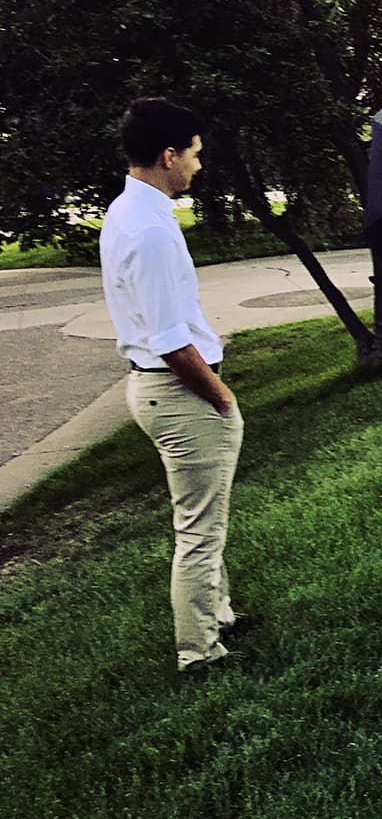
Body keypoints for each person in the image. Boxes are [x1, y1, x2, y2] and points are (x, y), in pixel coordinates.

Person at [99, 98, 245, 671]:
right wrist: (220, 395)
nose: (198, 166)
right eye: (194, 154)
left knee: (206, 515)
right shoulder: (150, 230)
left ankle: (221, 615)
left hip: (157, 389)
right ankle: (199, 651)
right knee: (200, 529)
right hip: (177, 391)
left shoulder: (131, 212)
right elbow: (169, 339)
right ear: (169, 155)